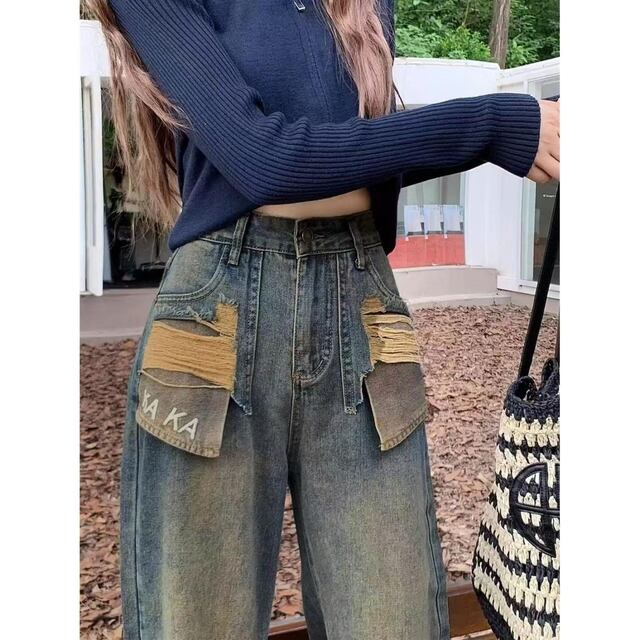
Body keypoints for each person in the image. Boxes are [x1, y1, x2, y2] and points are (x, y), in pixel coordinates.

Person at [88, 1, 560, 639]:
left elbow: (365, 151)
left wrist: (509, 133)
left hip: (361, 297)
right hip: (215, 315)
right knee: (197, 622)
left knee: (395, 621)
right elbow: (263, 160)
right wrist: (489, 124)